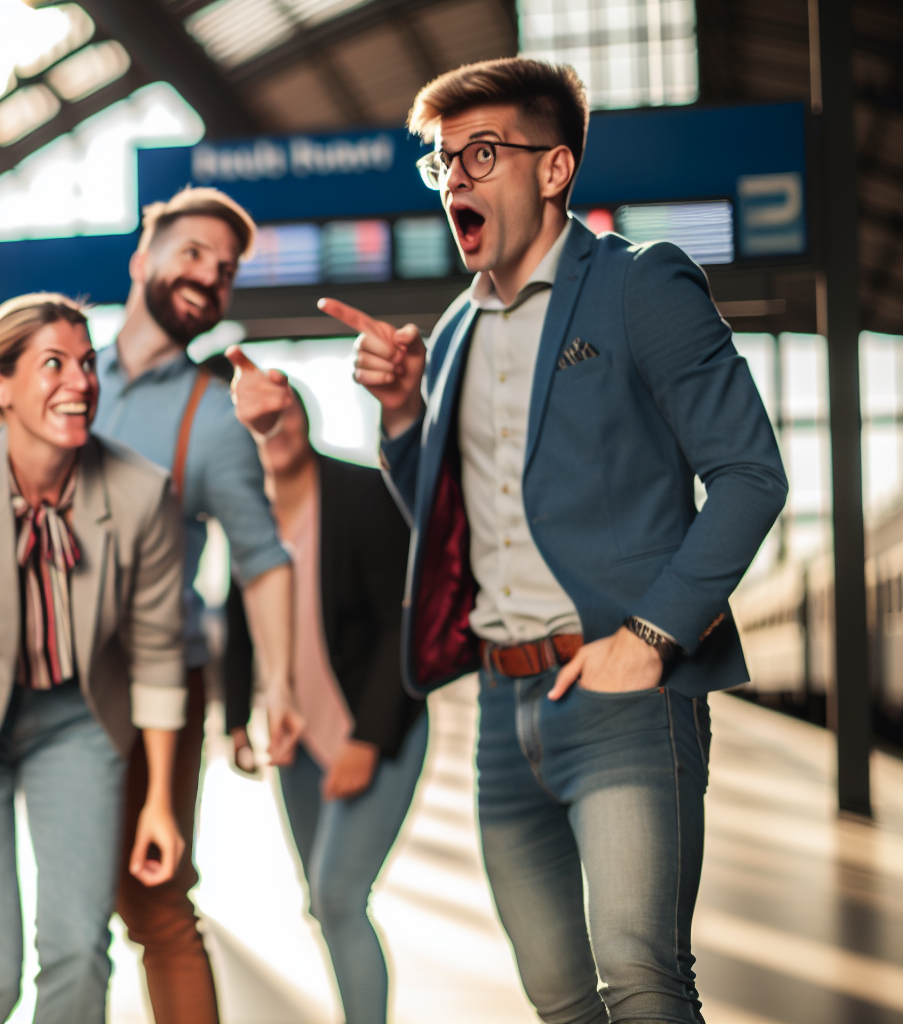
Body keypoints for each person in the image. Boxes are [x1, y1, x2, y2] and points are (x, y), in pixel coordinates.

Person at [344, 58, 787, 1021]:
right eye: (443, 161)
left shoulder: (640, 285)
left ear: (553, 170)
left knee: (639, 974)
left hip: (626, 696)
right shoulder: (456, 332)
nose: (455, 176)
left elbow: (753, 475)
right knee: (556, 995)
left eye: (483, 153)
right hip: (503, 717)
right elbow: (451, 529)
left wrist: (653, 637)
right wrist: (399, 414)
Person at [0, 294, 186, 1024]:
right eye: (52, 364)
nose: (79, 382)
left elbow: (156, 650)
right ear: (1, 386)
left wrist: (156, 802)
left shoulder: (143, 494)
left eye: (87, 365)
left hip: (76, 718)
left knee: (77, 948)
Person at [92, 187, 295, 1024]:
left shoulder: (214, 418)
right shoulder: (58, 371)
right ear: (143, 261)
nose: (209, 275)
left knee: (157, 901)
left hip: (156, 691)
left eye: (225, 270)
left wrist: (278, 686)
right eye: (193, 254)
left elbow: (263, 560)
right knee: (67, 912)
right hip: (48, 687)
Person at [223, 352, 421, 1024]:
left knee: (338, 896)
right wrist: (232, 720)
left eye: (285, 414)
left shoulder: (366, 495)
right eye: (262, 420)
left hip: (376, 726)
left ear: (304, 420)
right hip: (299, 740)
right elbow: (239, 616)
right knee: (322, 900)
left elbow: (404, 631)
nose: (274, 428)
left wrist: (369, 740)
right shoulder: (248, 515)